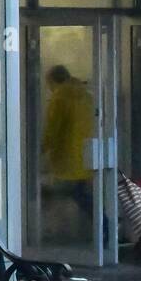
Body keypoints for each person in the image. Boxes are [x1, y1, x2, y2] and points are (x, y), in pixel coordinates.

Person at [41, 65, 95, 221]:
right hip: (86, 158)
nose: (49, 88)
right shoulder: (86, 95)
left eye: (48, 84)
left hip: (66, 160)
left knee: (49, 194)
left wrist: (40, 150)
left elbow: (52, 131)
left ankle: (104, 226)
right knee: (80, 193)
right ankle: (102, 227)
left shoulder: (59, 99)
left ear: (52, 81)